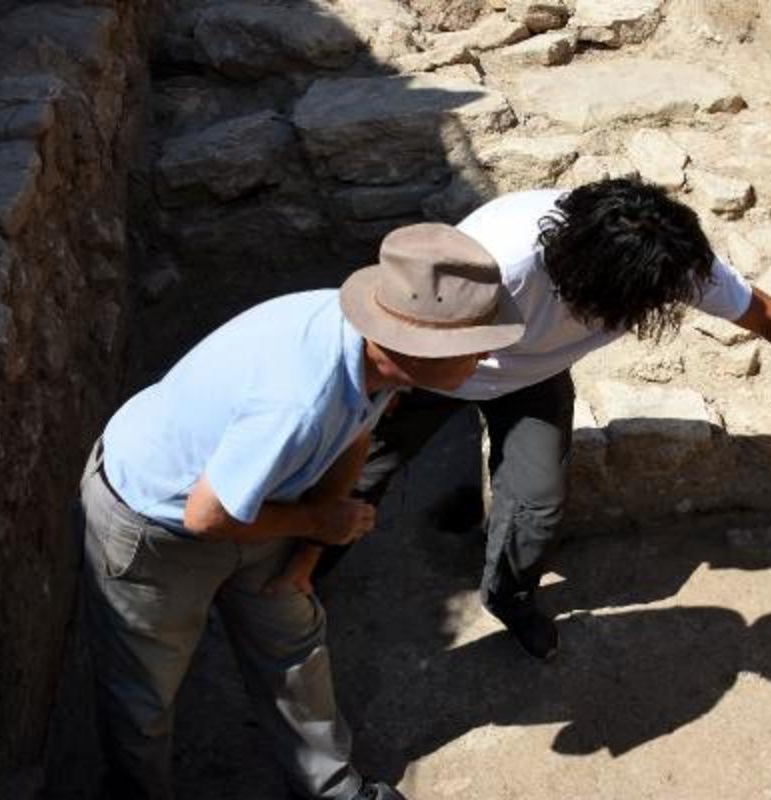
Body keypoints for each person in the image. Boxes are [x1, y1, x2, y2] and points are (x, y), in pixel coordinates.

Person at [311, 178, 771, 662]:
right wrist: (375, 394)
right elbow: (404, 324)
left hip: (530, 377)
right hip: (432, 366)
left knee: (536, 504)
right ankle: (297, 584)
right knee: (361, 478)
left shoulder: (662, 257)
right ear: (579, 282)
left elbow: (765, 314)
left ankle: (510, 597)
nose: (652, 311)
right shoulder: (503, 260)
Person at [78, 224, 525, 800]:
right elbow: (206, 518)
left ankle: (331, 789)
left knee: (293, 645)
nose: (487, 352)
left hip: (260, 503)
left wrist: (314, 539)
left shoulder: (370, 355)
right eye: (473, 342)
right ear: (410, 348)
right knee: (142, 693)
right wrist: (318, 523)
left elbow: (358, 432)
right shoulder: (297, 401)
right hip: (152, 526)